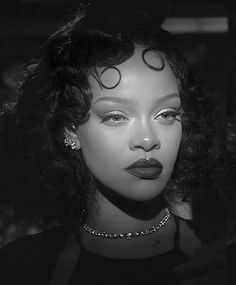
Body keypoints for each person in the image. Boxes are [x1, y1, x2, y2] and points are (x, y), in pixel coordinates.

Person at [0, 1, 227, 284]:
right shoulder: (21, 268)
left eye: (166, 114)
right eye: (116, 116)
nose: (147, 140)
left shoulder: (218, 258)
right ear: (70, 130)